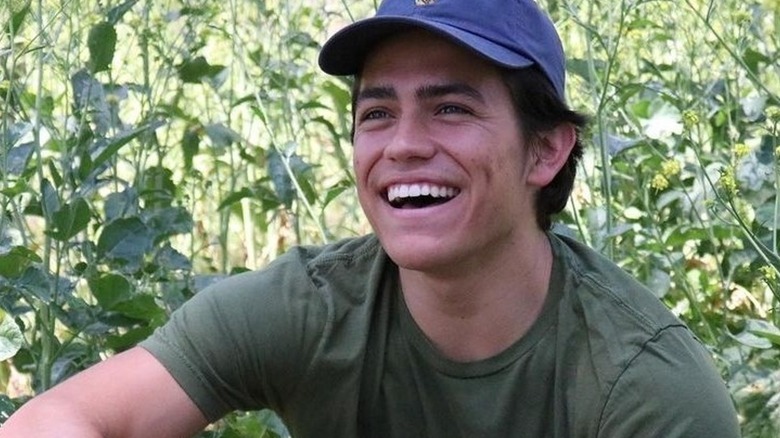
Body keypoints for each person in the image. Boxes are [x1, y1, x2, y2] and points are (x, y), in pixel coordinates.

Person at [1, 0, 740, 436]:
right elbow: (61, 420)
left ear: (545, 149)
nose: (405, 146)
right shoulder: (314, 308)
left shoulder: (641, 387)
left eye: (451, 108)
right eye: (377, 113)